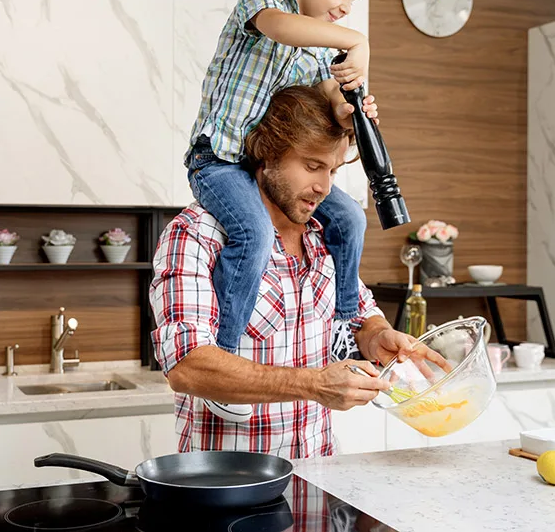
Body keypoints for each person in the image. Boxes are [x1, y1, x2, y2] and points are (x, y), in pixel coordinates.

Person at [152, 85, 445, 457]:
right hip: (226, 487)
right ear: (266, 155)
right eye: (311, 166)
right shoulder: (197, 233)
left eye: (332, 170)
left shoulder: (326, 235)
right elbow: (187, 367)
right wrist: (314, 384)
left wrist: (377, 336)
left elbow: (357, 314)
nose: (323, 187)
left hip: (319, 476)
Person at [184, 0, 386, 422]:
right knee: (252, 230)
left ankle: (343, 325)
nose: (344, 6)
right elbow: (279, 26)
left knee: (351, 219)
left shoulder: (321, 52)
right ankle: (227, 362)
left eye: (353, 0)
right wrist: (354, 39)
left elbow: (326, 101)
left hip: (264, 163)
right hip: (220, 159)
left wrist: (350, 110)